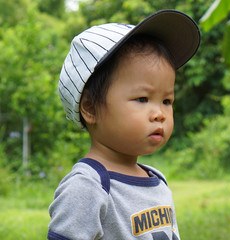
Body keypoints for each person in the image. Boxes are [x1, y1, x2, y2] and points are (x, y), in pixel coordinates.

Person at [47, 9, 200, 240]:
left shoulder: (156, 180)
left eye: (167, 101)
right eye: (142, 99)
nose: (159, 113)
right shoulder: (89, 187)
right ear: (90, 107)